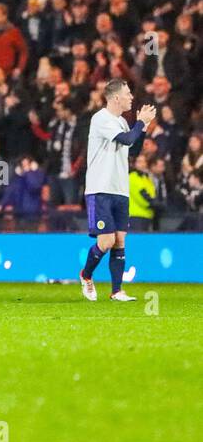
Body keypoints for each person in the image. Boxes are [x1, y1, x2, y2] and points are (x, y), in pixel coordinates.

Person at [80, 79, 156, 303]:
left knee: (120, 240)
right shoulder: (101, 118)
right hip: (100, 187)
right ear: (115, 98)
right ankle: (86, 275)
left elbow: (133, 148)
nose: (131, 97)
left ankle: (116, 291)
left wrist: (144, 127)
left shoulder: (122, 121)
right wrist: (140, 123)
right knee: (106, 241)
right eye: (128, 93)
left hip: (120, 189)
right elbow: (125, 139)